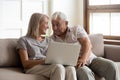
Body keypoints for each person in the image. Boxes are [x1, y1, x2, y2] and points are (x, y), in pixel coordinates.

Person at [50, 11, 119, 80]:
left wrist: (83, 59)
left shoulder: (76, 29)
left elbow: (87, 44)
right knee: (85, 73)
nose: (55, 28)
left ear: (66, 23)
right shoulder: (51, 40)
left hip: (90, 59)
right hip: (75, 64)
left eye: (58, 25)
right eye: (53, 25)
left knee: (111, 66)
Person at [16, 13, 77, 80]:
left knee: (70, 68)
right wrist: (44, 61)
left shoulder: (49, 40)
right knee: (58, 67)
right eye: (46, 23)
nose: (48, 27)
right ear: (38, 24)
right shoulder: (23, 40)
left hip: (49, 65)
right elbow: (25, 63)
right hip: (33, 67)